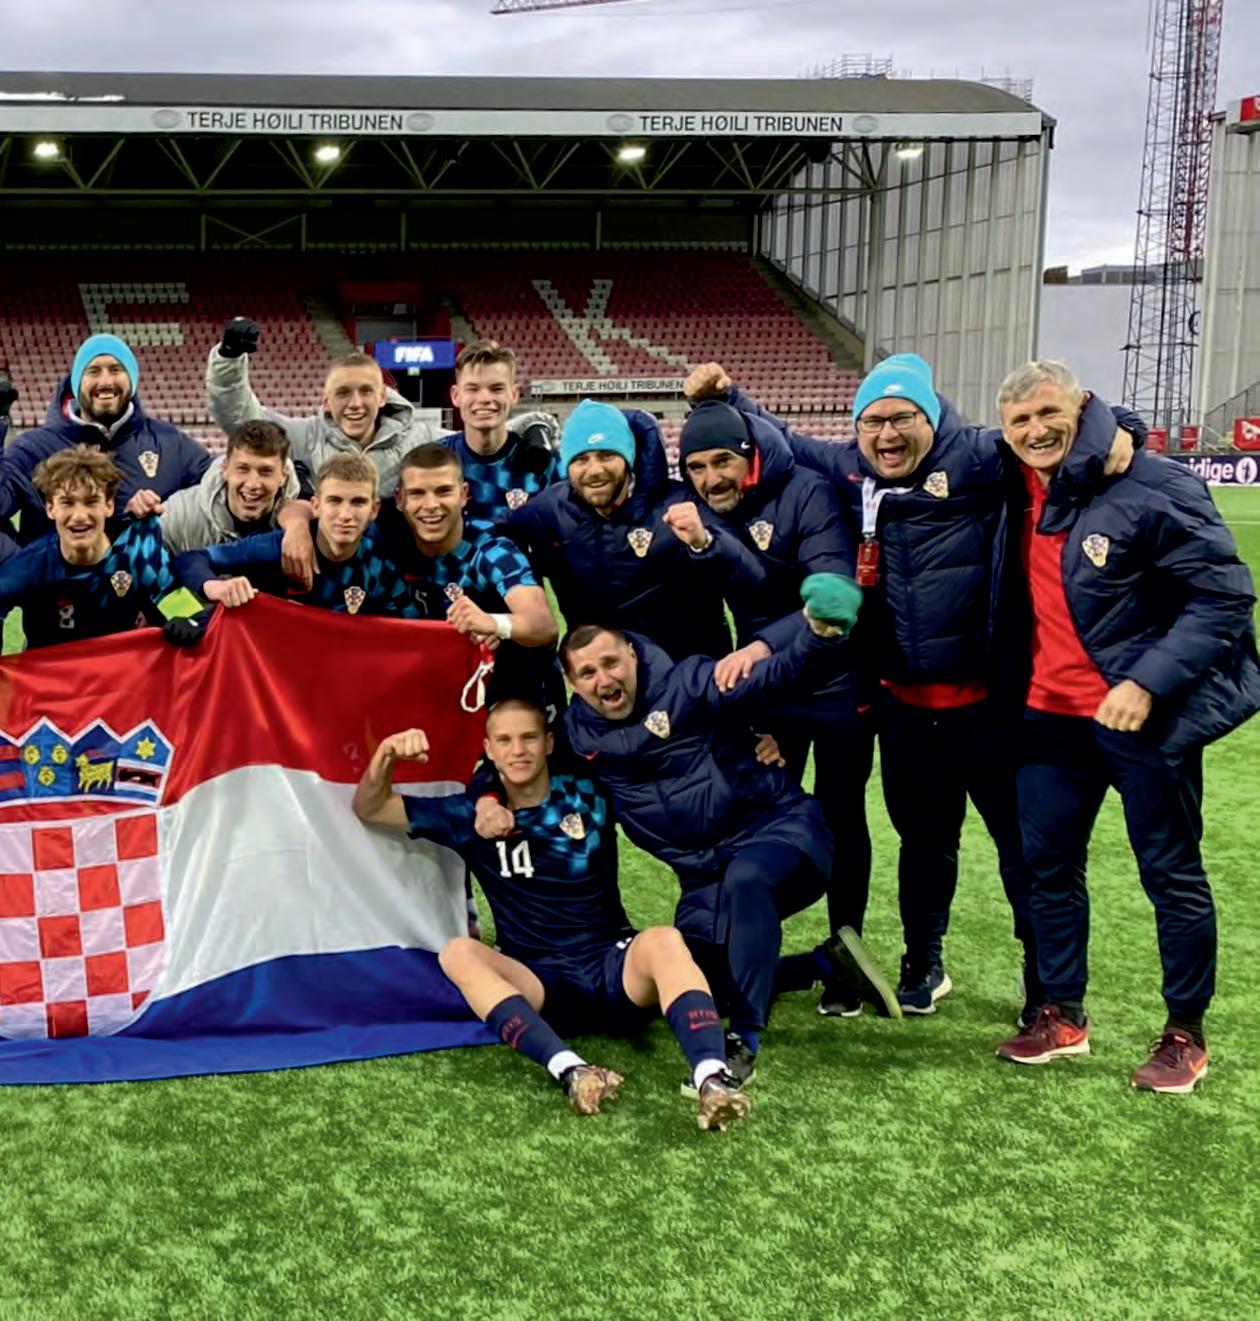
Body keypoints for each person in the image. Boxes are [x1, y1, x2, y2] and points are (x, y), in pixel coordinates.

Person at [689, 357, 1139, 1020]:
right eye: (872, 421)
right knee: (924, 842)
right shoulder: (849, 468)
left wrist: (1120, 426)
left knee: (1021, 850)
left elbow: (1051, 433)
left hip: (987, 703)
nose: (887, 434)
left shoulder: (980, 456)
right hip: (902, 704)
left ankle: (1044, 980)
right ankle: (924, 960)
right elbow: (781, 438)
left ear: (931, 416)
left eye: (902, 418)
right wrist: (731, 394)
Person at [991, 360, 1260, 1093]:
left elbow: (1224, 596)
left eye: (1049, 413)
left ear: (1083, 406)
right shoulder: (1015, 484)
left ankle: (1185, 1034)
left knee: (1170, 873)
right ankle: (1062, 1015)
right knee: (1047, 870)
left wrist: (1147, 681)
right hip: (1048, 719)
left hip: (1142, 720)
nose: (1036, 431)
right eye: (1020, 422)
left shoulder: (1154, 482)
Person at [550, 575, 902, 1086]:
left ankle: (745, 1040)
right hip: (703, 877)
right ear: (571, 683)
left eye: (611, 662)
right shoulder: (578, 736)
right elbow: (526, 764)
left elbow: (771, 677)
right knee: (696, 983)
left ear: (632, 654)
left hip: (783, 837)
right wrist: (489, 797)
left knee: (746, 880)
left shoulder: (689, 683)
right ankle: (826, 966)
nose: (604, 679)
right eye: (587, 673)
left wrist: (820, 635)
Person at [352, 699, 751, 1130]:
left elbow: (658, 772)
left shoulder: (591, 793)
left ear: (548, 742)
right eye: (505, 740)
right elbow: (370, 807)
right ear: (488, 749)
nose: (517, 750)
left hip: (614, 969)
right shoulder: (469, 816)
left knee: (663, 939)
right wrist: (385, 755)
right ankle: (570, 1070)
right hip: (541, 984)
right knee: (458, 953)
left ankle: (712, 1078)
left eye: (528, 738)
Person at [670, 398, 875, 1017]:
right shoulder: (701, 508)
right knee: (760, 812)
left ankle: (846, 953)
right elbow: (749, 587)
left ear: (750, 456)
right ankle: (749, 947)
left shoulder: (807, 491)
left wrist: (760, 645)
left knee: (841, 813)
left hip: (835, 677)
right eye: (697, 467)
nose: (711, 478)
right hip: (768, 686)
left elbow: (833, 588)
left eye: (722, 462)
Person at [503, 399, 759, 662]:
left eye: (606, 455)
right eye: (581, 459)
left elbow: (751, 581)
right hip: (601, 676)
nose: (595, 470)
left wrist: (705, 543)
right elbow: (495, 540)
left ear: (628, 457)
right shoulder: (547, 512)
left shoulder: (685, 503)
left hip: (686, 674)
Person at [376, 443, 560, 705]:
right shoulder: (385, 542)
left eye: (444, 491)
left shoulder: (489, 547)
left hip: (509, 689)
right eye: (417, 493)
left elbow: (543, 624)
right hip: (431, 688)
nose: (431, 505)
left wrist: (494, 623)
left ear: (464, 494)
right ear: (399, 499)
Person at [0, 333, 211, 545]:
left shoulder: (170, 443)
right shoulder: (32, 449)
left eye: (116, 370)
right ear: (77, 382)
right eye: (93, 371)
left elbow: (219, 494)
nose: (105, 382)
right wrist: (21, 560)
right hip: (53, 568)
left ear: (132, 379)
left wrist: (166, 512)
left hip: (143, 567)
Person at [205, 319, 441, 497]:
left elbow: (465, 446)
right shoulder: (306, 438)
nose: (355, 404)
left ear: (382, 397)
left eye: (366, 391)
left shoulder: (421, 440)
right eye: (343, 393)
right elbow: (244, 420)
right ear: (326, 401)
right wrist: (228, 360)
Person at [172, 452, 416, 618]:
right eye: (334, 501)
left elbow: (411, 628)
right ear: (316, 505)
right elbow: (191, 559)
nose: (345, 514)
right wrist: (214, 587)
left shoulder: (381, 563)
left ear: (374, 509)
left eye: (358, 502)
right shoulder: (275, 547)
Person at [0, 445, 198, 649]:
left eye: (91, 502)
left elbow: (171, 595)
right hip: (53, 669)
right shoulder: (32, 564)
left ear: (109, 505)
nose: (79, 516)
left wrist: (188, 620)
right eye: (67, 503)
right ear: (50, 508)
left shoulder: (134, 552)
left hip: (119, 667)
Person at [441, 340, 560, 535]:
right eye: (472, 389)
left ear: (514, 395)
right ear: (456, 396)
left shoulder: (545, 464)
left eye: (496, 389)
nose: (484, 399)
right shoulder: (436, 461)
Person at [159, 419, 310, 553]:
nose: (252, 484)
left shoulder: (307, 517)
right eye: (243, 469)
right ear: (225, 468)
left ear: (284, 476)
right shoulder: (179, 515)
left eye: (266, 472)